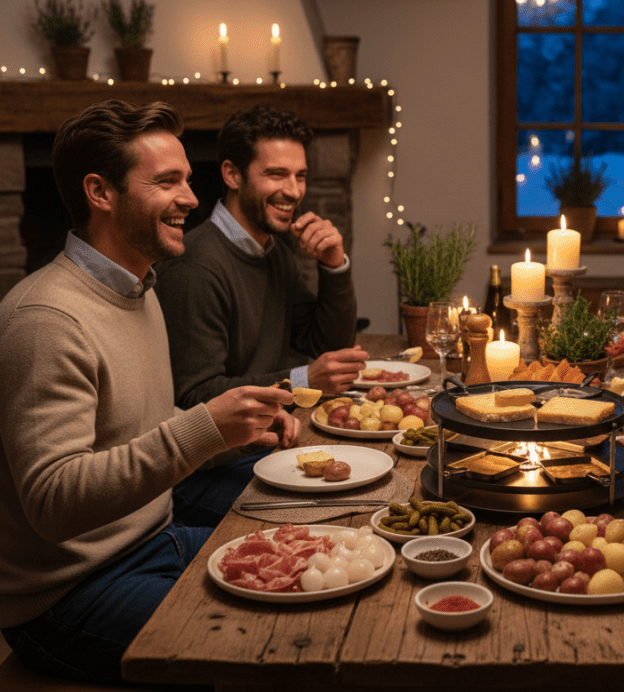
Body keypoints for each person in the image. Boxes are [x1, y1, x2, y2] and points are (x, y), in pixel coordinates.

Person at [0, 100, 299, 684]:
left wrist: (233, 433)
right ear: (100, 192)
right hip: (66, 595)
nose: (192, 198)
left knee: (309, 556)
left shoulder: (140, 288)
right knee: (277, 638)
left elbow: (144, 426)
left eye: (187, 179)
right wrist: (204, 429)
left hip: (155, 540)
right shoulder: (46, 320)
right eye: (167, 182)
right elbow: (52, 502)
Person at [154, 105, 367, 525]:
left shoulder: (273, 249)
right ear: (232, 175)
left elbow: (325, 346)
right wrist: (304, 379)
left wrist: (334, 265)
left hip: (265, 443)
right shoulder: (195, 266)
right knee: (342, 517)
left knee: (370, 480)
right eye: (276, 174)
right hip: (202, 475)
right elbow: (196, 394)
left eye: (300, 175)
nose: (294, 190)